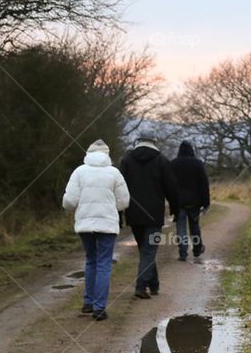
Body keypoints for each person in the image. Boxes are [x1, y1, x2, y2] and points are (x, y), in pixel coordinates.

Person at [62, 139, 130, 321]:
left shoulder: (79, 172)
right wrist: (110, 207)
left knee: (91, 260)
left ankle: (88, 302)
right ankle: (99, 308)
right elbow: (124, 202)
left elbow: (69, 202)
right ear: (107, 155)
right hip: (107, 225)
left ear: (88, 153)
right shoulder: (114, 173)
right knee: (104, 264)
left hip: (85, 224)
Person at [119, 131, 178, 299]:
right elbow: (171, 188)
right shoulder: (162, 160)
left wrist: (120, 211)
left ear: (138, 141)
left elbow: (120, 187)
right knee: (149, 250)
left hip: (133, 212)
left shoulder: (126, 160)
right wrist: (175, 209)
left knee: (145, 250)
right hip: (154, 213)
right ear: (154, 141)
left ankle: (154, 284)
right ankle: (141, 286)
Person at [171, 140, 211, 262]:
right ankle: (197, 249)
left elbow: (169, 184)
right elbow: (204, 184)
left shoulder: (173, 164)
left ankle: (183, 252)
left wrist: (170, 200)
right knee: (194, 226)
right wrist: (206, 203)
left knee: (181, 227)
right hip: (194, 203)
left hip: (179, 203)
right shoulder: (198, 164)